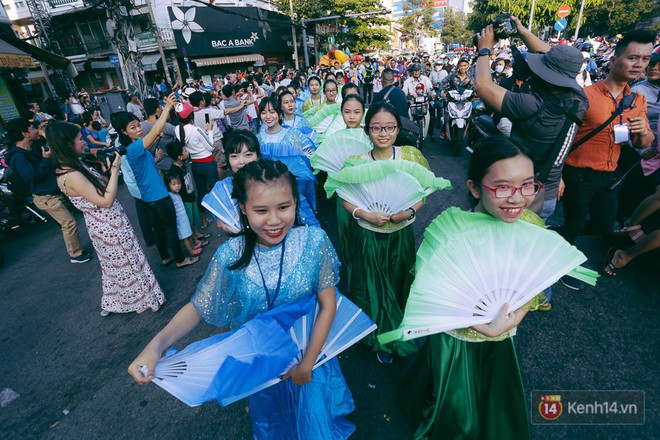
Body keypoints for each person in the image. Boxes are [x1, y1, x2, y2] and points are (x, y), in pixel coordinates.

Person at [128, 159, 355, 439]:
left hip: (312, 356)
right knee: (276, 424)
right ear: (243, 209)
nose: (274, 220)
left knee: (313, 423)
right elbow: (198, 307)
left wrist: (307, 363)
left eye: (284, 207)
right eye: (261, 210)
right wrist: (155, 345)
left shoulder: (314, 241)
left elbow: (328, 305)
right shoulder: (230, 255)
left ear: (296, 202)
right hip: (260, 366)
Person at [404, 136, 545, 440]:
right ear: (474, 187)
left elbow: (535, 279)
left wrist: (517, 314)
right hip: (456, 338)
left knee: (495, 396)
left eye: (528, 185)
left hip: (503, 332)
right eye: (503, 187)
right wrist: (483, 328)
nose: (518, 198)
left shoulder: (532, 224)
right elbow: (430, 291)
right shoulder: (449, 230)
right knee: (457, 410)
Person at [559, 30, 655, 289]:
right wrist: (557, 177)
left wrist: (644, 132)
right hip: (577, 173)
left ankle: (551, 236)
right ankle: (561, 263)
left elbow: (642, 145)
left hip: (609, 175)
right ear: (613, 60)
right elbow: (564, 138)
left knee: (605, 223)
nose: (640, 64)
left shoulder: (638, 100)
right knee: (575, 223)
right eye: (633, 57)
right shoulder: (585, 95)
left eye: (645, 59)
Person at [339, 103, 430, 364]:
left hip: (400, 234)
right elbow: (346, 198)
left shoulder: (410, 156)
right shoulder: (356, 162)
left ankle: (398, 326)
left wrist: (409, 213)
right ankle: (380, 336)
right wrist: (364, 214)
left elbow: (422, 193)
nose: (383, 133)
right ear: (367, 130)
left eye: (389, 127)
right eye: (376, 128)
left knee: (399, 281)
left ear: (398, 129)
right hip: (368, 234)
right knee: (374, 287)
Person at [46, 121, 165, 316]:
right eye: (80, 139)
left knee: (119, 267)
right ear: (67, 144)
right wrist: (115, 169)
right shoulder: (72, 174)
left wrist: (108, 171)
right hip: (107, 225)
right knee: (125, 265)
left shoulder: (73, 166)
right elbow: (106, 200)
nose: (85, 142)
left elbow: (100, 186)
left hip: (106, 224)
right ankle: (138, 301)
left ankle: (128, 300)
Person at [475, 17, 589, 221]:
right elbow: (552, 57)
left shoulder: (532, 104)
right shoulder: (578, 98)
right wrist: (523, 32)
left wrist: (484, 50)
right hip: (549, 189)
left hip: (522, 196)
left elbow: (483, 86)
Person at [115, 94, 199, 269]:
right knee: (170, 228)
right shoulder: (135, 147)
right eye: (133, 127)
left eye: (138, 125)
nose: (138, 129)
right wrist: (167, 108)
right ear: (124, 132)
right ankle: (181, 259)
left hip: (148, 197)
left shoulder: (134, 148)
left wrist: (155, 159)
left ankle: (166, 257)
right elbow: (153, 132)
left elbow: (143, 168)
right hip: (158, 196)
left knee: (159, 230)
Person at [5, 118, 91, 264]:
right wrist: (45, 159)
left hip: (54, 192)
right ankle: (75, 255)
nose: (36, 131)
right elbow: (32, 177)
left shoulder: (34, 147)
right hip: (45, 197)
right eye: (32, 128)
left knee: (67, 222)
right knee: (68, 223)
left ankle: (77, 250)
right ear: (24, 133)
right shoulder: (18, 156)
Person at [203, 130, 318, 235]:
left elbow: (307, 222)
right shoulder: (224, 190)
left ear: (258, 156)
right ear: (228, 159)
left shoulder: (277, 182)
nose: (242, 162)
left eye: (248, 155)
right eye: (234, 156)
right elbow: (223, 223)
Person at [256, 96, 317, 209]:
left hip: (292, 187)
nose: (268, 116)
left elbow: (302, 162)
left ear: (279, 114)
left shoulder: (292, 134)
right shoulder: (258, 139)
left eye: (272, 112)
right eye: (264, 113)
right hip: (268, 189)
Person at [165, 139, 211, 245]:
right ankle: (194, 239)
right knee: (189, 220)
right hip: (185, 199)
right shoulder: (174, 170)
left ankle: (197, 234)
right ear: (179, 157)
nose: (187, 151)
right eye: (185, 151)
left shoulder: (184, 164)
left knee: (194, 217)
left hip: (191, 196)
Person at [164, 173, 205, 257]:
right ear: (168, 185)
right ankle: (191, 250)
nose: (177, 186)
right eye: (174, 184)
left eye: (179, 183)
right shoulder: (170, 195)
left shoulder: (176, 194)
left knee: (188, 234)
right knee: (185, 237)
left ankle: (193, 246)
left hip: (184, 218)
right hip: (180, 220)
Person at [141, 98, 176, 172]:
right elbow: (180, 133)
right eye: (160, 107)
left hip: (153, 164)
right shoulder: (165, 126)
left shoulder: (141, 127)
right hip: (169, 164)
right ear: (157, 110)